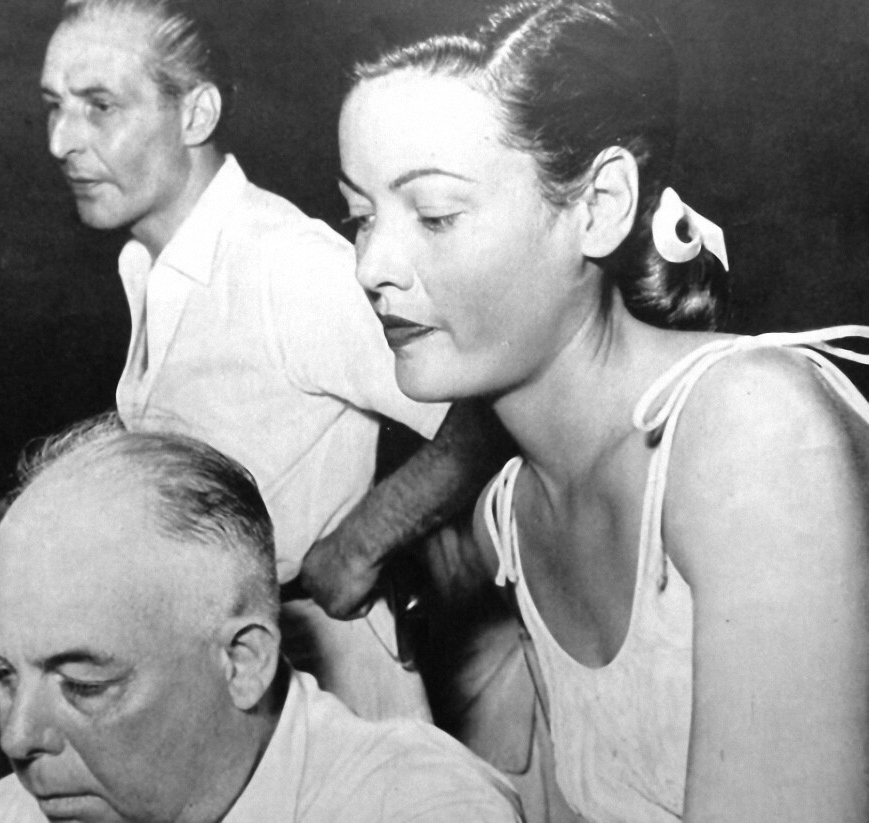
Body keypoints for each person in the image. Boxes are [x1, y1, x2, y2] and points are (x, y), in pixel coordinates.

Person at [335, 0, 869, 820]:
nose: (371, 264)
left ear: (599, 205)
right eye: (360, 216)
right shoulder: (510, 516)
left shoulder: (749, 429)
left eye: (435, 214)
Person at [39, 0, 504, 720]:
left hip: (327, 682)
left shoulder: (284, 264)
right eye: (54, 106)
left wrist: (362, 541)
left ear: (196, 114)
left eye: (100, 106)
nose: (61, 141)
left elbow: (489, 408)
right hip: (219, 674)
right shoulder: (146, 265)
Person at [0, 418, 524, 823]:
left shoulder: (417, 806)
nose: (18, 738)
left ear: (242, 662)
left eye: (84, 685)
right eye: (3, 675)